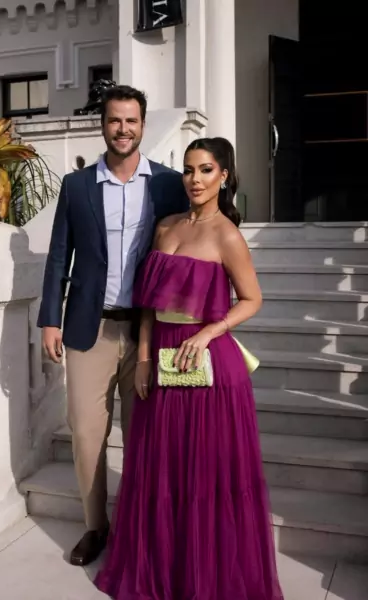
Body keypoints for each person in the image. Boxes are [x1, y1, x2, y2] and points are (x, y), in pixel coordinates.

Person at [95, 137, 284, 600]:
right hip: (162, 357)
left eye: (205, 170)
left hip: (208, 363)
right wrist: (143, 359)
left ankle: (205, 578)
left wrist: (209, 332)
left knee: (204, 474)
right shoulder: (166, 227)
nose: (194, 179)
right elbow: (148, 304)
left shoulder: (227, 235)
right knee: (163, 469)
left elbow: (252, 299)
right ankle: (165, 569)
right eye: (188, 169)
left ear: (224, 176)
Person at [37, 85, 188, 567]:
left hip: (148, 332)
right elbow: (59, 254)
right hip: (89, 329)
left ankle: (141, 527)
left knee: (145, 435)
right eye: (115, 120)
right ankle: (95, 526)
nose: (123, 129)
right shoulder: (77, 185)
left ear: (143, 125)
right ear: (103, 125)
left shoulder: (168, 184)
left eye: (132, 121)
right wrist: (50, 319)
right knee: (86, 434)